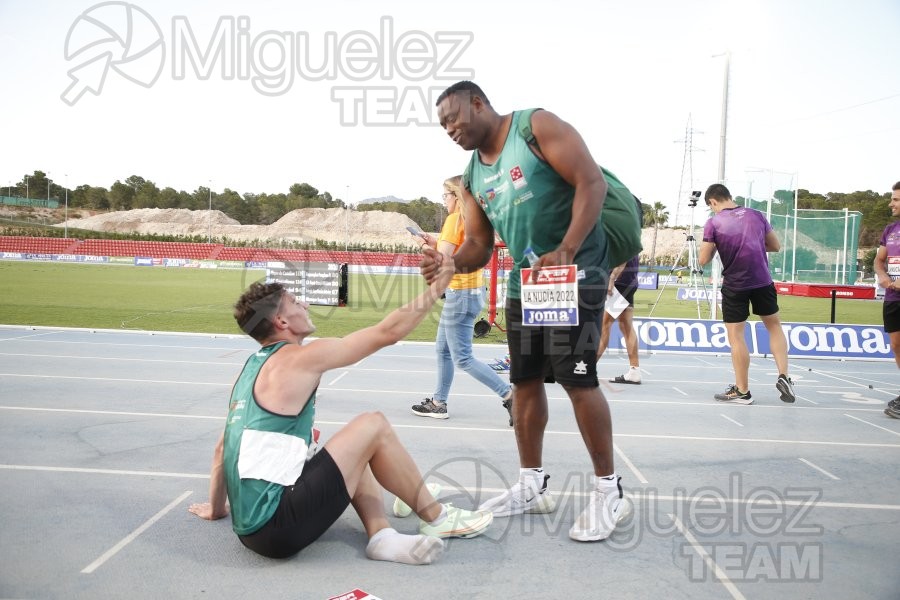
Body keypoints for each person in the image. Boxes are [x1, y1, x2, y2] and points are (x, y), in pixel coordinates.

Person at [188, 254, 493, 566]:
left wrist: (216, 508)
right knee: (373, 425)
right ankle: (436, 516)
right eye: (295, 302)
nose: (304, 305)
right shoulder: (298, 358)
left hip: (250, 531)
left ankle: (382, 535)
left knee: (348, 446)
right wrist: (440, 285)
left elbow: (221, 449)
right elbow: (387, 332)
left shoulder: (250, 369)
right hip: (278, 528)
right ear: (281, 322)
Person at [425, 80, 627, 543]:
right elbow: (478, 243)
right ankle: (531, 484)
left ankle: (608, 489)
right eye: (442, 126)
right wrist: (452, 262)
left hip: (577, 272)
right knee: (523, 381)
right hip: (527, 282)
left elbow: (590, 182)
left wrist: (568, 248)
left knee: (578, 380)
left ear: (478, 104)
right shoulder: (473, 174)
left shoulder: (535, 126)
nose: (449, 129)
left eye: (453, 118)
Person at [410, 175, 514, 424]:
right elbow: (457, 250)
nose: (443, 200)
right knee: (443, 350)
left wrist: (422, 246)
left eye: (445, 196)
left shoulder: (454, 219)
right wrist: (434, 241)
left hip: (461, 294)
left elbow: (442, 261)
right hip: (471, 292)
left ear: (456, 197)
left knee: (463, 358)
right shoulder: (472, 219)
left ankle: (510, 396)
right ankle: (438, 402)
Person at [698, 183, 795, 405]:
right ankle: (783, 375)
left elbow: (703, 260)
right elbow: (775, 246)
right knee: (774, 327)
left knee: (736, 336)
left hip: (735, 284)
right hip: (762, 280)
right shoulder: (756, 215)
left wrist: (717, 247)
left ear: (713, 202)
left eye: (711, 206)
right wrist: (753, 246)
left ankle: (743, 391)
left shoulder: (713, 222)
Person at [872, 181, 900, 419]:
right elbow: (879, 261)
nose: (891, 203)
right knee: (896, 345)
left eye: (896, 199)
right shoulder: (890, 230)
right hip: (893, 297)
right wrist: (883, 277)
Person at [596, 254, 642, 384]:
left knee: (604, 325)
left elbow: (623, 254)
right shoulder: (631, 233)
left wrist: (611, 278)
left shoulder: (619, 233)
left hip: (619, 282)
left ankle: (587, 369)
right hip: (629, 281)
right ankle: (634, 371)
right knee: (626, 327)